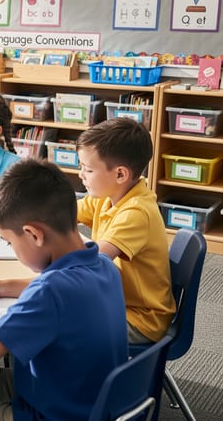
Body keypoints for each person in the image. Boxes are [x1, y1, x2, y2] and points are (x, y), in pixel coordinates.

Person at [0, 160, 128, 421]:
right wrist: (3, 287)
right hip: (94, 398)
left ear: (33, 234)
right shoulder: (104, 264)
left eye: (9, 242)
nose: (12, 250)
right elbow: (67, 289)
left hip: (64, 413)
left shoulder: (48, 292)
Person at [76, 117, 174, 344]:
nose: (80, 174)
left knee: (55, 323)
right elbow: (63, 211)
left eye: (88, 169)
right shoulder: (108, 196)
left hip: (139, 319)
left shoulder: (136, 212)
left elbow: (94, 259)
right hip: (114, 299)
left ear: (120, 174)